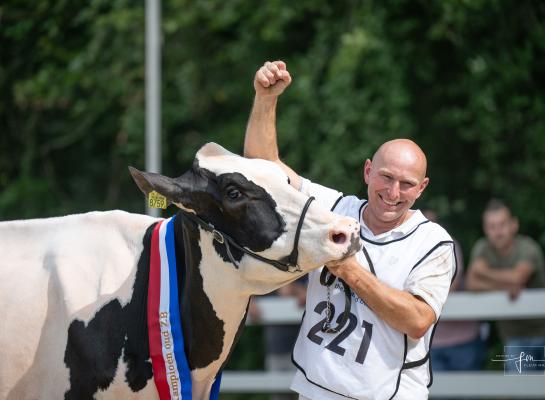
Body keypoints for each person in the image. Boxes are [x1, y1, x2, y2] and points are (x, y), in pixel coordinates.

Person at [244, 61, 457, 400]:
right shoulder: (334, 209)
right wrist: (266, 99)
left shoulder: (433, 243)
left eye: (407, 184)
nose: (393, 192)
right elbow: (264, 169)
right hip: (316, 390)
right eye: (386, 177)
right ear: (368, 171)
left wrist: (347, 270)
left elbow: (418, 319)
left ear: (422, 189)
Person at [466, 199, 545, 373]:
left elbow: (517, 278)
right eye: (492, 226)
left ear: (514, 225)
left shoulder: (528, 247)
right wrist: (504, 287)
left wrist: (484, 273)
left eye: (502, 224)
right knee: (521, 392)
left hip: (543, 331)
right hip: (514, 336)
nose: (498, 231)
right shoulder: (482, 247)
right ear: (486, 229)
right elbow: (471, 283)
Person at [422, 210, 485, 376]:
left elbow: (452, 285)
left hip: (462, 338)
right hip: (430, 341)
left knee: (467, 392)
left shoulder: (448, 244)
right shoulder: (407, 249)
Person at [248, 281, 307, 400]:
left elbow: (316, 296)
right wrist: (249, 302)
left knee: (307, 394)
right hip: (276, 353)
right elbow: (246, 291)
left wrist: (294, 288)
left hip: (304, 354)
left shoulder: (306, 273)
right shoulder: (268, 279)